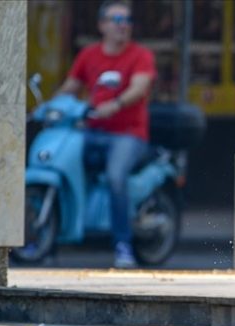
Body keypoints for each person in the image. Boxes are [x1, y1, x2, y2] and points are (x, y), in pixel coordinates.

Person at [56, 0, 156, 268]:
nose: (123, 26)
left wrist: (117, 104)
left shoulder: (140, 55)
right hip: (92, 130)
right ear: (102, 25)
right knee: (62, 162)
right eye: (116, 20)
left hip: (129, 134)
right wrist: (50, 107)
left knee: (115, 177)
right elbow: (70, 86)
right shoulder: (88, 55)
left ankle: (123, 245)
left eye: (127, 21)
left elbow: (140, 86)